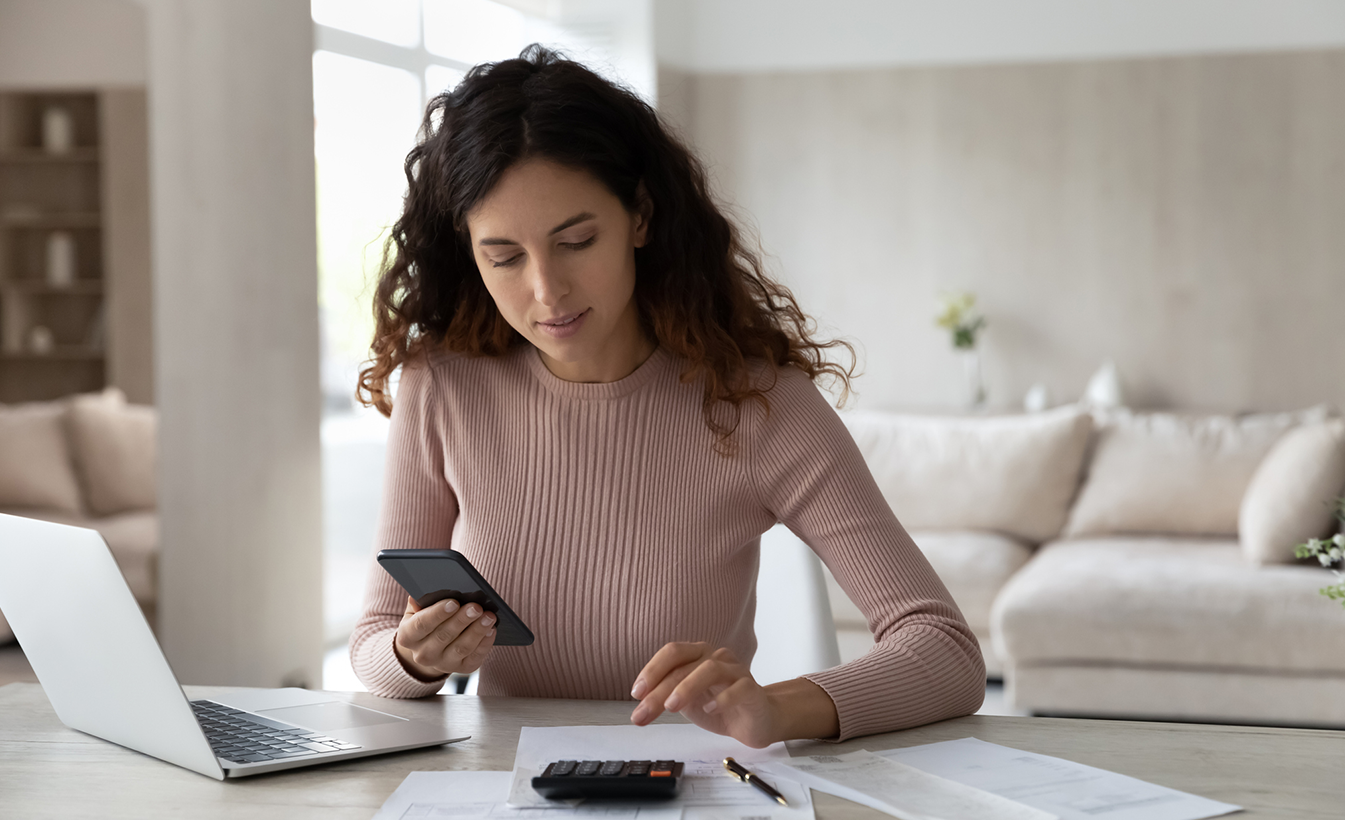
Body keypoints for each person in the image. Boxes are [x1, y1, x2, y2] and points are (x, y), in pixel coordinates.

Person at [350, 46, 984, 746]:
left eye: (577, 241)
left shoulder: (756, 403)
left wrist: (778, 708)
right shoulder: (443, 384)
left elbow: (945, 651)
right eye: (503, 256)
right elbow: (374, 646)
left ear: (641, 218)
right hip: (503, 787)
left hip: (689, 787)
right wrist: (414, 656)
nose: (545, 291)